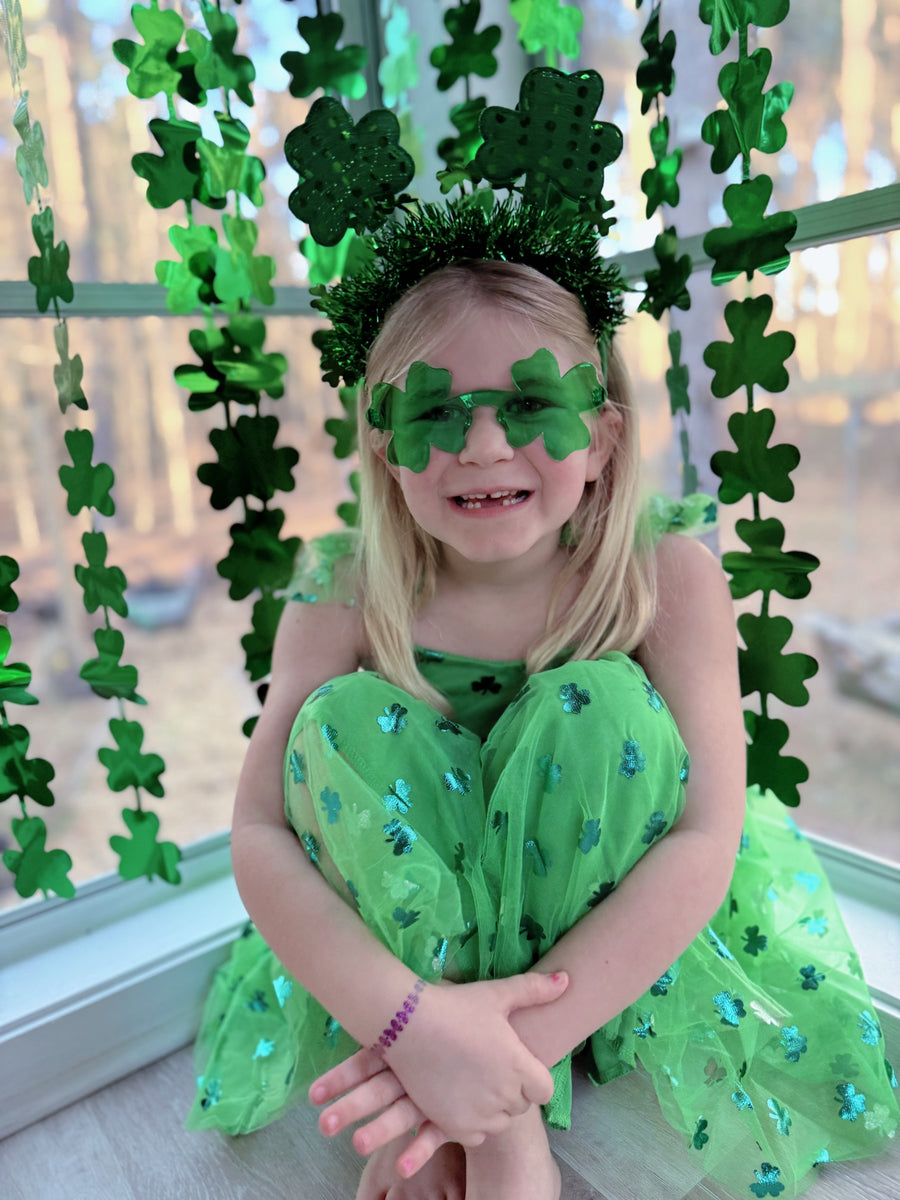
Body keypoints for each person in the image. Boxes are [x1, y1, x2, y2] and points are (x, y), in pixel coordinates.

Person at [187, 252, 898, 1200]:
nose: (481, 445)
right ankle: (470, 1078)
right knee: (344, 722)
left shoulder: (666, 576)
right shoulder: (342, 590)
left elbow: (705, 833)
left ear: (604, 439)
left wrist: (488, 1071)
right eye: (436, 411)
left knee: (594, 708)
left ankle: (503, 1101)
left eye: (530, 404)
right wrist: (410, 1027)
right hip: (408, 972)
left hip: (599, 964)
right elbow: (260, 830)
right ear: (386, 443)